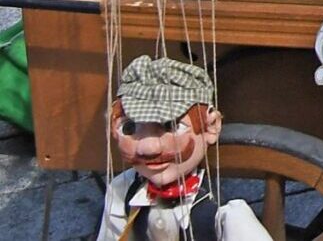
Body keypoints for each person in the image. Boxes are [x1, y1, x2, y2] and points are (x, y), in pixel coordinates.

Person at [93, 55, 274, 241]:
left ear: (211, 126)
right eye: (129, 128)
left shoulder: (227, 215)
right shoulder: (123, 191)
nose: (148, 148)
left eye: (171, 126)